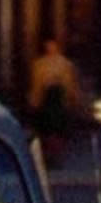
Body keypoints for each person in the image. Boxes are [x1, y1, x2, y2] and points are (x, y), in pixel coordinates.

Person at [28, 37, 81, 168]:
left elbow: (69, 82)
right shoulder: (39, 64)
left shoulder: (64, 64)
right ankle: (48, 157)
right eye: (48, 45)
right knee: (46, 129)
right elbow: (36, 83)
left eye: (52, 45)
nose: (50, 48)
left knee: (58, 128)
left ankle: (55, 156)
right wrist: (34, 100)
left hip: (58, 97)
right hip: (45, 98)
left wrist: (72, 99)